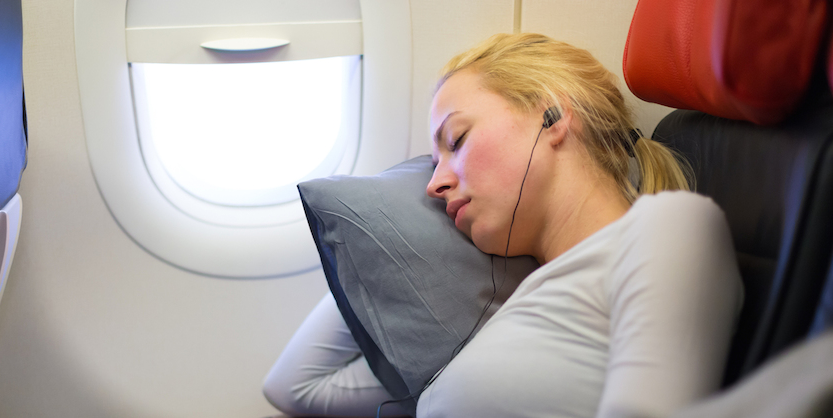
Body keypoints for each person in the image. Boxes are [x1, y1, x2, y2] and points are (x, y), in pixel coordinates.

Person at [263, 33, 742, 418]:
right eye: (432, 165)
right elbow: (296, 386)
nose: (432, 185)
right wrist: (384, 227)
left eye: (457, 138)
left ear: (551, 114)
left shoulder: (667, 230)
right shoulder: (499, 307)